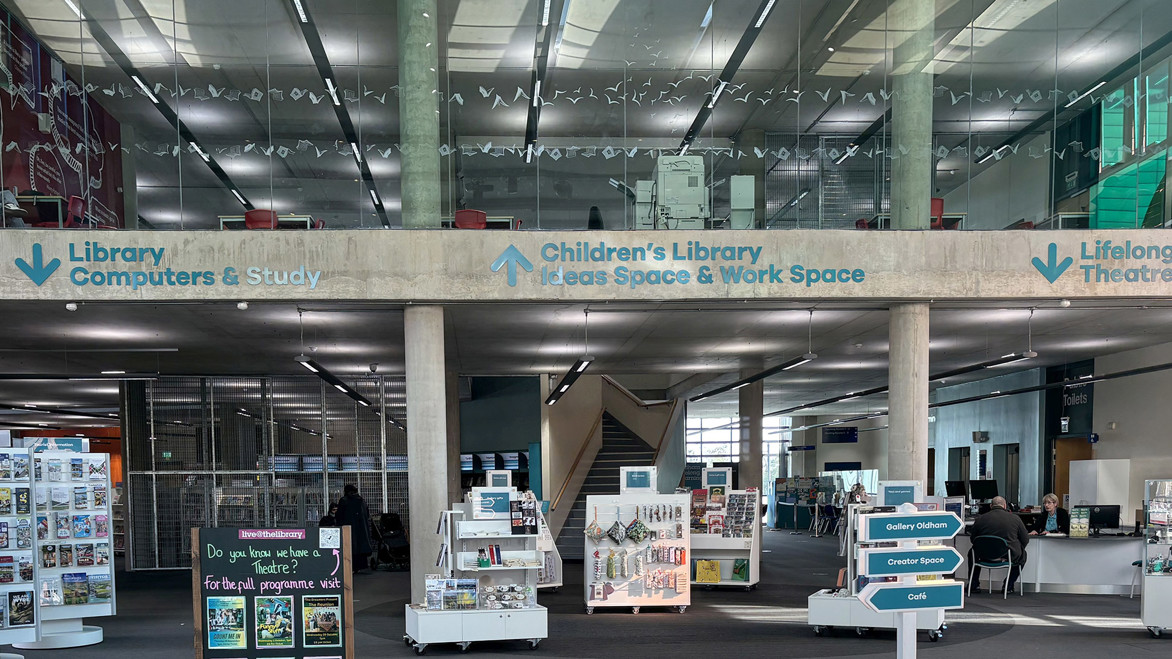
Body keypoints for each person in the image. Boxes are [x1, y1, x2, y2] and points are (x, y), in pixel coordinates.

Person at [968, 495, 1030, 593]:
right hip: (1007, 555)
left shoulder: (980, 519)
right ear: (1005, 506)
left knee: (972, 552)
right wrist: (1017, 549)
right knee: (1023, 555)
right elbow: (1025, 539)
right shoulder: (1015, 518)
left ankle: (973, 584)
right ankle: (1008, 586)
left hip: (983, 555)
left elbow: (973, 539)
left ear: (991, 506)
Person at [335, 484, 373, 572]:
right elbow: (367, 514)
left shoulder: (344, 500)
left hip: (348, 529)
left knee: (350, 547)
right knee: (360, 547)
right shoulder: (361, 501)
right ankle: (360, 566)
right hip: (361, 530)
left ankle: (350, 567)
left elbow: (340, 515)